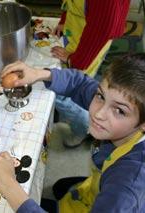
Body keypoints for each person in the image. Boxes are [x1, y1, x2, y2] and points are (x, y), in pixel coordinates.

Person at [0, 53, 145, 212]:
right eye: (100, 96)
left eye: (119, 111)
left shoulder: (125, 188)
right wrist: (39, 74)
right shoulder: (138, 116)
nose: (98, 113)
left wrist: (8, 187)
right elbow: (81, 84)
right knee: (60, 188)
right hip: (100, 183)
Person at [51, 0, 131, 148]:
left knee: (62, 94)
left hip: (89, 45)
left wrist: (75, 60)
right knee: (72, 86)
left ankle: (84, 128)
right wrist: (65, 19)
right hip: (77, 32)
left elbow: (103, 28)